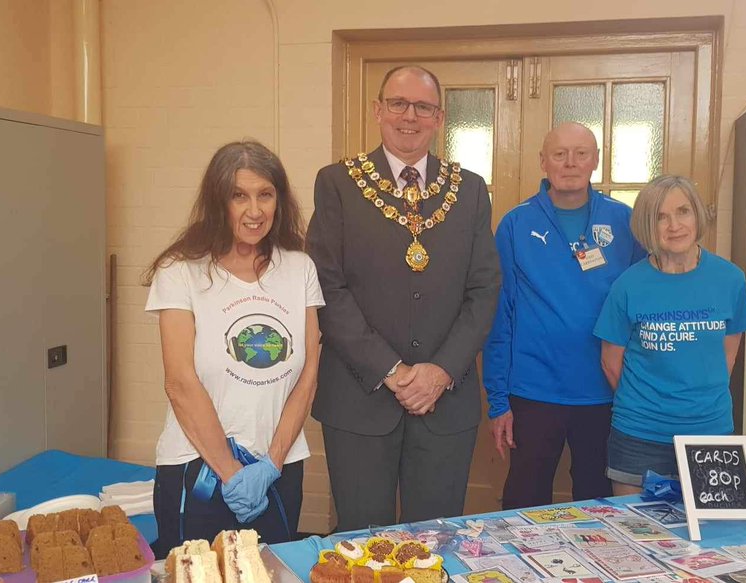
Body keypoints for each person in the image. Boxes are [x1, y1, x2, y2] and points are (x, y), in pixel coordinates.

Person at [307, 65, 500, 530]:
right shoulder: (338, 183)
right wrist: (392, 371)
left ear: (438, 117)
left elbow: (484, 289)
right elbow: (326, 288)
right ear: (378, 111)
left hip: (444, 401)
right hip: (359, 400)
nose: (409, 116)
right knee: (361, 540)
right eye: (398, 103)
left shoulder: (469, 190)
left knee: (434, 540)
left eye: (423, 107)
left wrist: (440, 371)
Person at [143, 141, 323, 557]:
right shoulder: (180, 272)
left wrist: (271, 465)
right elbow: (180, 384)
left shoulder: (299, 267)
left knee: (270, 572)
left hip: (277, 469)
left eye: (265, 194)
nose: (254, 211)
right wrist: (230, 472)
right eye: (238, 196)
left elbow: (309, 374)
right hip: (197, 469)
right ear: (217, 201)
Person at [482, 122, 646, 509]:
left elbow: (644, 306)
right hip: (534, 391)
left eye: (581, 153)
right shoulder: (515, 225)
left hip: (607, 390)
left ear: (596, 161)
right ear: (543, 162)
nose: (570, 163)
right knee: (524, 501)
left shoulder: (626, 222)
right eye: (559, 154)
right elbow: (498, 318)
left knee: (600, 505)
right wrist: (498, 401)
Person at [593, 175, 746, 495]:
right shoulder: (628, 286)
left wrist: (696, 405)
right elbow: (610, 363)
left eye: (683, 212)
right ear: (646, 226)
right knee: (635, 539)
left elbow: (728, 355)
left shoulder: (730, 280)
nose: (674, 225)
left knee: (713, 538)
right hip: (639, 435)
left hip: (710, 432)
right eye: (660, 217)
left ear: (698, 215)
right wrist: (650, 407)